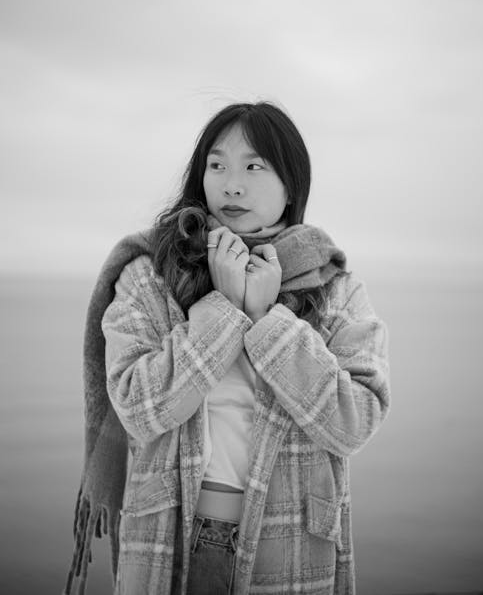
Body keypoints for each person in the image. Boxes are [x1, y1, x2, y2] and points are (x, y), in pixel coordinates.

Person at [64, 101, 390, 595]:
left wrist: (267, 320)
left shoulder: (334, 286)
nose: (231, 184)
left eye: (254, 166)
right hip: (172, 535)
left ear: (291, 184)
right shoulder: (150, 274)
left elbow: (355, 420)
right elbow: (137, 406)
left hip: (292, 540)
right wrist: (223, 309)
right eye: (217, 165)